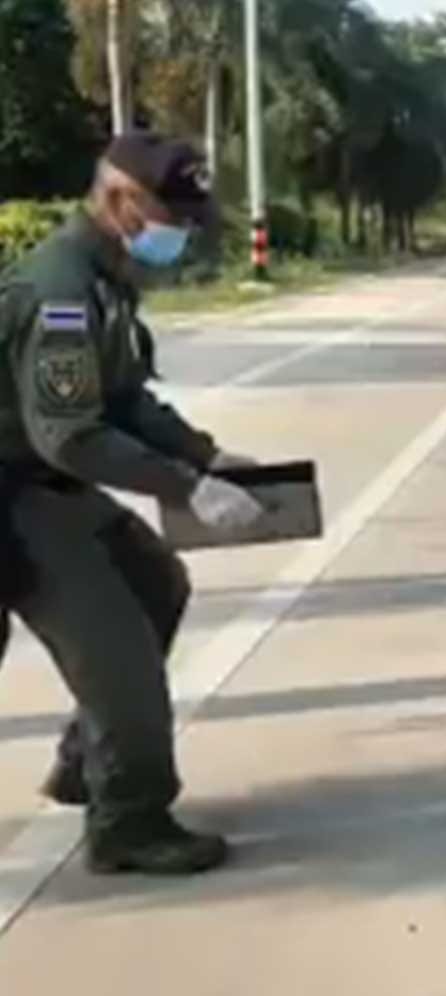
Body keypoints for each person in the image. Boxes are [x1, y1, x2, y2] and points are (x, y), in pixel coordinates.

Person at [0, 132, 265, 875]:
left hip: (38, 482)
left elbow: (122, 398)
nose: (176, 232)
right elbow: (73, 435)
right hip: (18, 490)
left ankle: (90, 765)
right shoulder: (59, 291)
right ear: (118, 201)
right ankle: (129, 823)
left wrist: (206, 455)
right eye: (166, 214)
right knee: (119, 658)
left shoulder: (104, 277)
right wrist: (187, 489)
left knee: (155, 580)